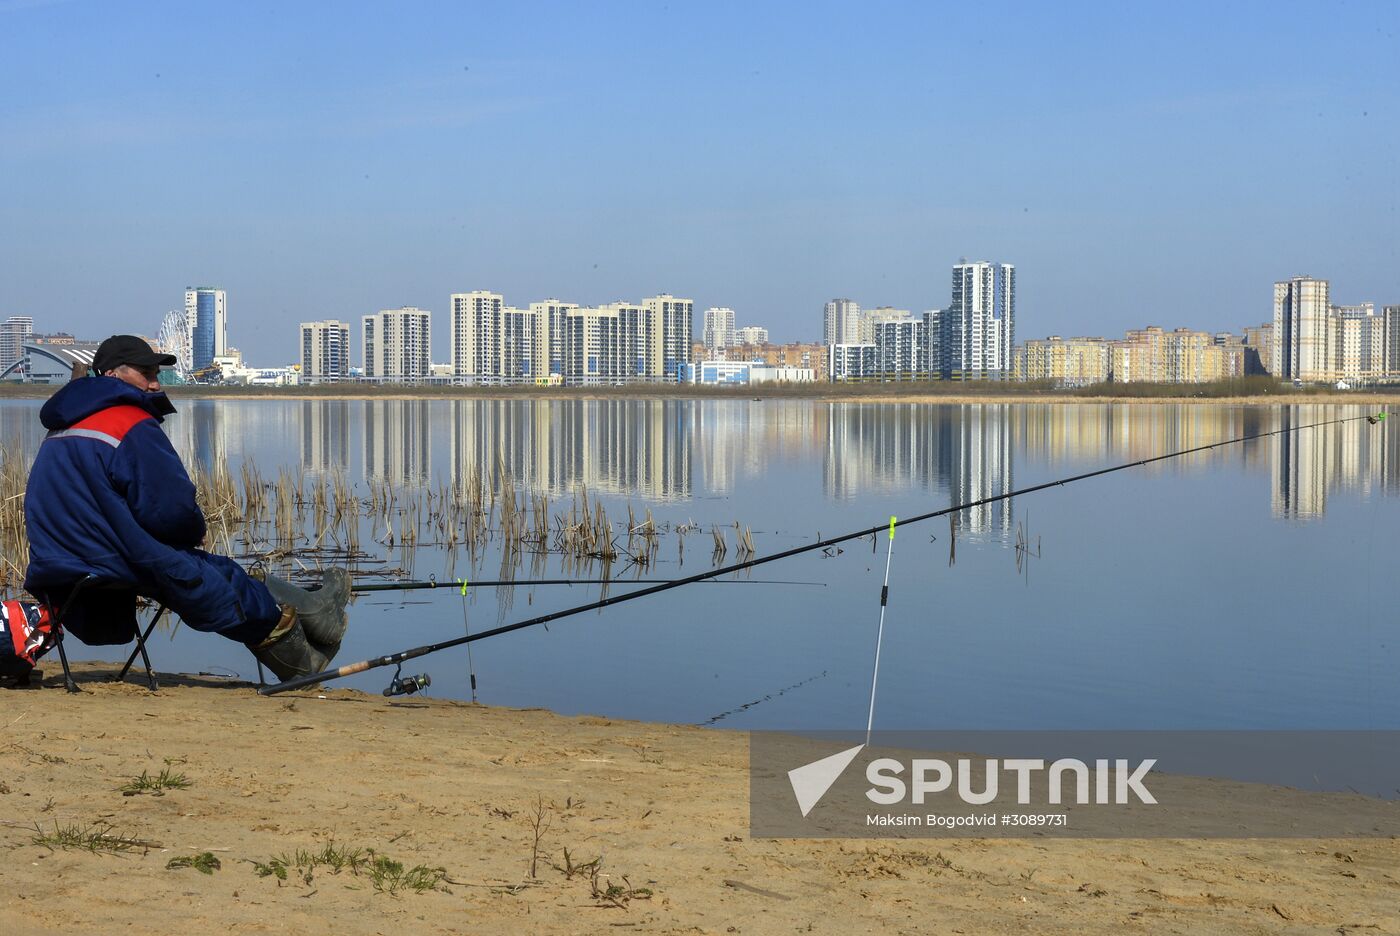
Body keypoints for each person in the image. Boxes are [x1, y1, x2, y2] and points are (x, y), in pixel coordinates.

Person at [22, 334, 350, 681]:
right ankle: (305, 663)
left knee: (211, 572)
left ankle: (317, 615)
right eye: (145, 373)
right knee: (219, 577)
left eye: (156, 373)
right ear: (112, 376)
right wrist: (195, 531)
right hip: (107, 560)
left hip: (57, 565)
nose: (154, 383)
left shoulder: (63, 425)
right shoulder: (129, 423)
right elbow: (170, 508)